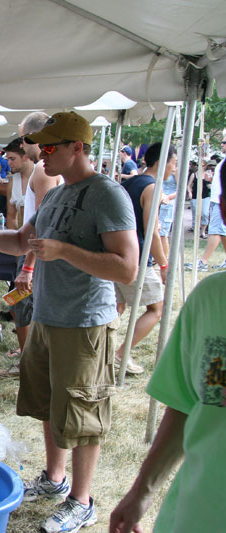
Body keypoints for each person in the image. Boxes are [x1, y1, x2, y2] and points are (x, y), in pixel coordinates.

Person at [0, 111, 138, 533]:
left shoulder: (107, 194)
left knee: (84, 415)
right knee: (49, 403)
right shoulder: (55, 194)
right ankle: (55, 480)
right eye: (39, 146)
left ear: (78, 148)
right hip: (48, 315)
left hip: (85, 323)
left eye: (49, 147)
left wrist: (65, 251)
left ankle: (82, 501)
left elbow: (127, 268)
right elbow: (21, 241)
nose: (40, 153)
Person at [109, 162, 226, 533]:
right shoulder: (211, 299)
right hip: (194, 514)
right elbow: (188, 404)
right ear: (223, 209)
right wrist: (141, 490)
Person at [0, 112, 62, 378]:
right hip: (33, 254)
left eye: (24, 140)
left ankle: (28, 365)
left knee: (24, 307)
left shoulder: (44, 172)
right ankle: (29, 360)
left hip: (36, 258)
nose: (21, 145)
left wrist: (28, 267)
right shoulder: (40, 170)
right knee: (22, 308)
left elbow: (45, 224)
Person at [114, 143, 176, 376]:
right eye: (174, 162)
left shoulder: (130, 182)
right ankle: (120, 356)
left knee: (116, 307)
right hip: (137, 257)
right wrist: (163, 264)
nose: (175, 167)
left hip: (116, 252)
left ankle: (105, 354)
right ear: (161, 163)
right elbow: (152, 231)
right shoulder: (152, 187)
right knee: (156, 309)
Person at [195, 152, 226, 271]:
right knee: (221, 232)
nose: (223, 145)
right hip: (217, 199)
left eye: (225, 142)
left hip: (220, 201)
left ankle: (203, 261)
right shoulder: (223, 161)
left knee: (215, 231)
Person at [187, 160, 211, 238]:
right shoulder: (194, 174)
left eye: (203, 165)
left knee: (205, 213)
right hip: (195, 196)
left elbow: (213, 184)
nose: (201, 167)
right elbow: (189, 185)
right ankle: (195, 229)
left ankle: (203, 231)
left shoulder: (208, 175)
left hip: (205, 196)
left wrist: (211, 184)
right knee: (196, 214)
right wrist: (190, 192)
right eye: (200, 165)